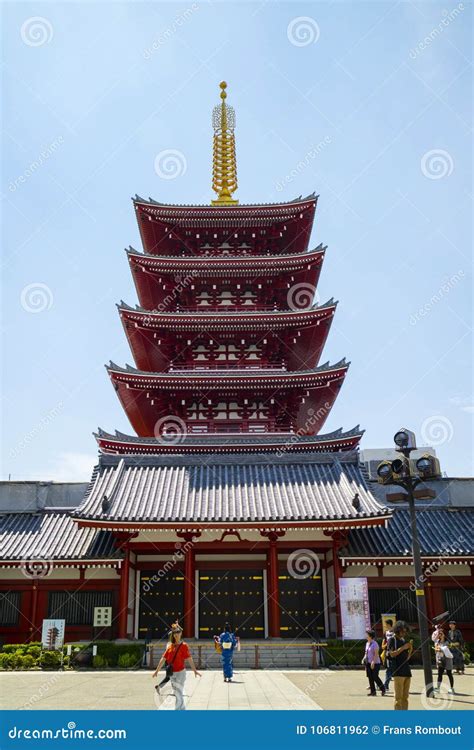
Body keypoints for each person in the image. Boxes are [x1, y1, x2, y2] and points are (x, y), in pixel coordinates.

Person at [152, 623, 201, 710]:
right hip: (172, 673)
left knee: (178, 692)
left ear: (181, 633)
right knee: (176, 692)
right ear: (173, 634)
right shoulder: (170, 646)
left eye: (178, 632)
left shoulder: (184, 646)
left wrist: (194, 670)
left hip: (181, 673)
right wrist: (156, 671)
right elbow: (163, 659)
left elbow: (189, 659)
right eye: (175, 632)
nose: (176, 634)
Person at [387, 620, 413, 710]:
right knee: (398, 698)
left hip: (407, 671)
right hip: (398, 671)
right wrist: (403, 648)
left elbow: (407, 658)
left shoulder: (403, 640)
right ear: (398, 630)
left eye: (405, 631)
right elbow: (391, 654)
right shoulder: (392, 640)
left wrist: (410, 649)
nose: (404, 633)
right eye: (403, 631)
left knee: (405, 698)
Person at [363, 629, 386, 696]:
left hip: (375, 663)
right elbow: (366, 652)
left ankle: (383, 688)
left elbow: (376, 654)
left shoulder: (375, 644)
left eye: (367, 635)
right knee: (370, 677)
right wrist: (364, 658)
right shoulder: (367, 643)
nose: (366, 636)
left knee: (375, 676)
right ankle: (373, 691)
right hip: (368, 663)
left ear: (370, 636)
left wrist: (373, 662)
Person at [381, 619, 395, 691]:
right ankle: (385, 685)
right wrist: (387, 643)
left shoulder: (395, 633)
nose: (384, 625)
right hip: (388, 653)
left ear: (389, 624)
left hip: (395, 652)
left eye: (385, 624)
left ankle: (385, 685)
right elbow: (383, 646)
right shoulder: (385, 633)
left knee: (392, 670)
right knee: (388, 669)